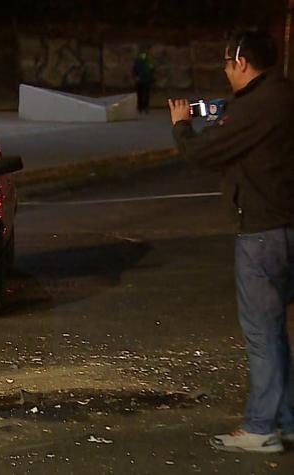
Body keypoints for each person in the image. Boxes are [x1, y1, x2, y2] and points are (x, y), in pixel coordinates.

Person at [168, 30, 294, 454]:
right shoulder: (281, 95)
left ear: (242, 62)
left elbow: (203, 154)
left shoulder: (256, 107)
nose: (224, 71)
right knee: (275, 331)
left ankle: (261, 427)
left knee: (262, 332)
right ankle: (286, 419)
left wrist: (182, 126)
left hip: (262, 232)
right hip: (286, 226)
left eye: (225, 63)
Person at [132, 49, 156, 113]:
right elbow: (134, 70)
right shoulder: (138, 61)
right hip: (140, 80)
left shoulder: (148, 61)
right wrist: (136, 77)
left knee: (146, 94)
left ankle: (145, 107)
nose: (143, 56)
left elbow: (152, 70)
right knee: (140, 94)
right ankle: (140, 107)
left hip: (146, 80)